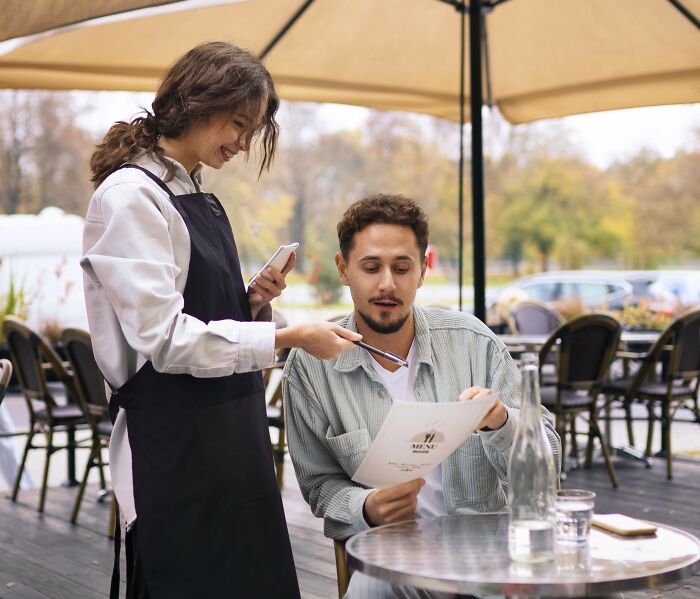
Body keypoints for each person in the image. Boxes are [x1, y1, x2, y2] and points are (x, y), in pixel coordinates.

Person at [82, 42, 361, 599]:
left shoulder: (194, 193)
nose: (242, 143)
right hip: (174, 445)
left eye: (251, 130)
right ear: (197, 102)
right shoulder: (131, 197)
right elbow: (163, 340)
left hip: (234, 436)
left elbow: (198, 314)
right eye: (239, 124)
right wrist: (286, 338)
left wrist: (252, 303)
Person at [283, 194, 562, 599]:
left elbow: (550, 462)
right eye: (371, 267)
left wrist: (502, 422)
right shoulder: (310, 367)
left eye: (401, 267)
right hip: (396, 556)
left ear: (423, 270)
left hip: (495, 555)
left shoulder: (473, 342)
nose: (387, 284)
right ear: (343, 269)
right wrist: (366, 508)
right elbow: (319, 485)